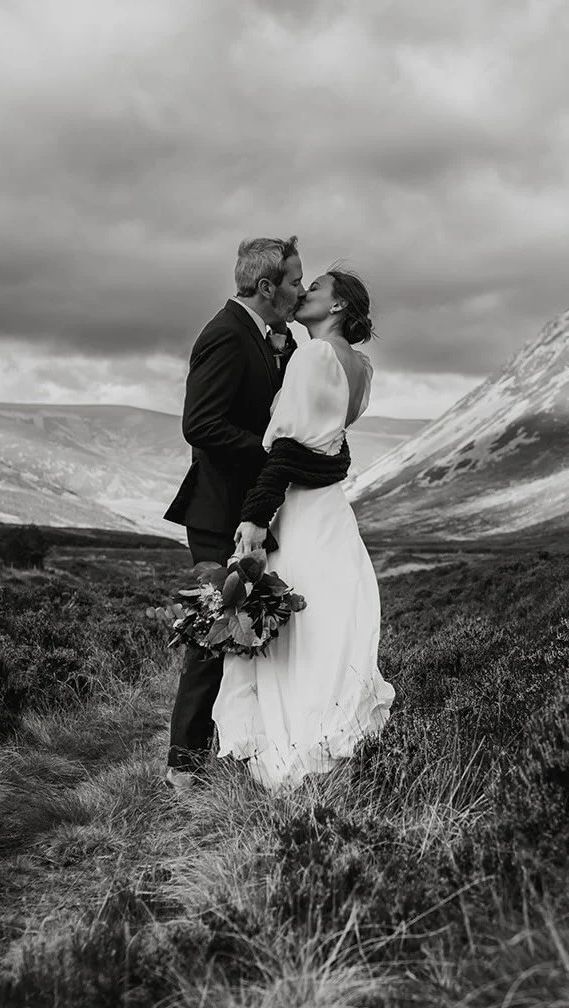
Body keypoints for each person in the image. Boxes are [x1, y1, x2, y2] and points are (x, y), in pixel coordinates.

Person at [212, 268, 395, 791]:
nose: (303, 292)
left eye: (315, 287)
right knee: (327, 628)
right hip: (333, 512)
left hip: (302, 513)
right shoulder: (359, 366)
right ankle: (329, 750)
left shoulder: (314, 355)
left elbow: (291, 447)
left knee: (298, 633)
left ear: (337, 306)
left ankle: (293, 756)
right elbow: (332, 449)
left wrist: (255, 516)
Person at [163, 236, 304, 789]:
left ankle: (238, 748)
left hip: (252, 511)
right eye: (294, 280)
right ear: (266, 286)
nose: (300, 290)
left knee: (250, 630)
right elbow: (199, 424)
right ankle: (182, 764)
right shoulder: (224, 333)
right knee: (215, 632)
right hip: (219, 511)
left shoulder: (275, 338)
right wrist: (269, 449)